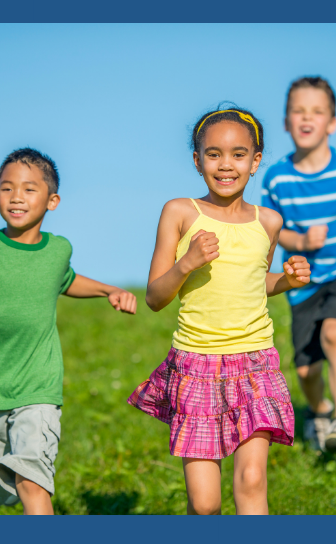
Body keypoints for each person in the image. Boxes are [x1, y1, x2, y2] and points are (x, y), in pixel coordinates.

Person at [128, 105, 310, 515]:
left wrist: (288, 280)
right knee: (205, 504)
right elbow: (156, 297)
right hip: (197, 365)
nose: (226, 165)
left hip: (255, 362)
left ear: (255, 162)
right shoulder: (180, 212)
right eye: (213, 154)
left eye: (238, 154)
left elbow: (253, 284)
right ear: (197, 161)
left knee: (252, 481)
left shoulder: (269, 222)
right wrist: (187, 262)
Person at [0, 148, 137, 515]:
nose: (16, 196)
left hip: (38, 386)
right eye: (6, 188)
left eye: (29, 189)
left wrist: (109, 289)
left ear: (52, 201)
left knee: (32, 481)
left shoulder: (58, 250)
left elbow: (65, 280)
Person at [262, 77, 336, 456]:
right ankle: (320, 412)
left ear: (332, 122)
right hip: (304, 280)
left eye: (317, 111)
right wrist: (303, 242)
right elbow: (273, 230)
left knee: (335, 334)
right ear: (286, 122)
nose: (307, 118)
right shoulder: (277, 178)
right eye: (298, 111)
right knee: (307, 370)